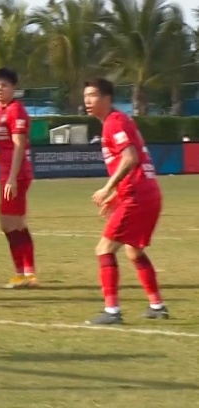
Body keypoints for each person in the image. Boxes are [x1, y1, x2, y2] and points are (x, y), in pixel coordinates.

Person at [83, 78, 168, 325]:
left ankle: (112, 311)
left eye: (93, 95)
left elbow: (130, 158)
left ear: (107, 98)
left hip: (137, 196)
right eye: (86, 96)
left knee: (104, 249)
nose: (87, 100)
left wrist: (108, 188)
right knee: (133, 250)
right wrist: (115, 196)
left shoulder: (114, 122)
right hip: (146, 193)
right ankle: (157, 305)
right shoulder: (117, 121)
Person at [0, 68, 37, 289]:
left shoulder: (16, 110)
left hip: (17, 174)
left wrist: (12, 178)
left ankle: (21, 274)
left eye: (4, 85)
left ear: (13, 88)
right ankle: (29, 273)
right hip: (9, 172)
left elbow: (19, 146)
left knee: (8, 225)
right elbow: (6, 145)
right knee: (17, 224)